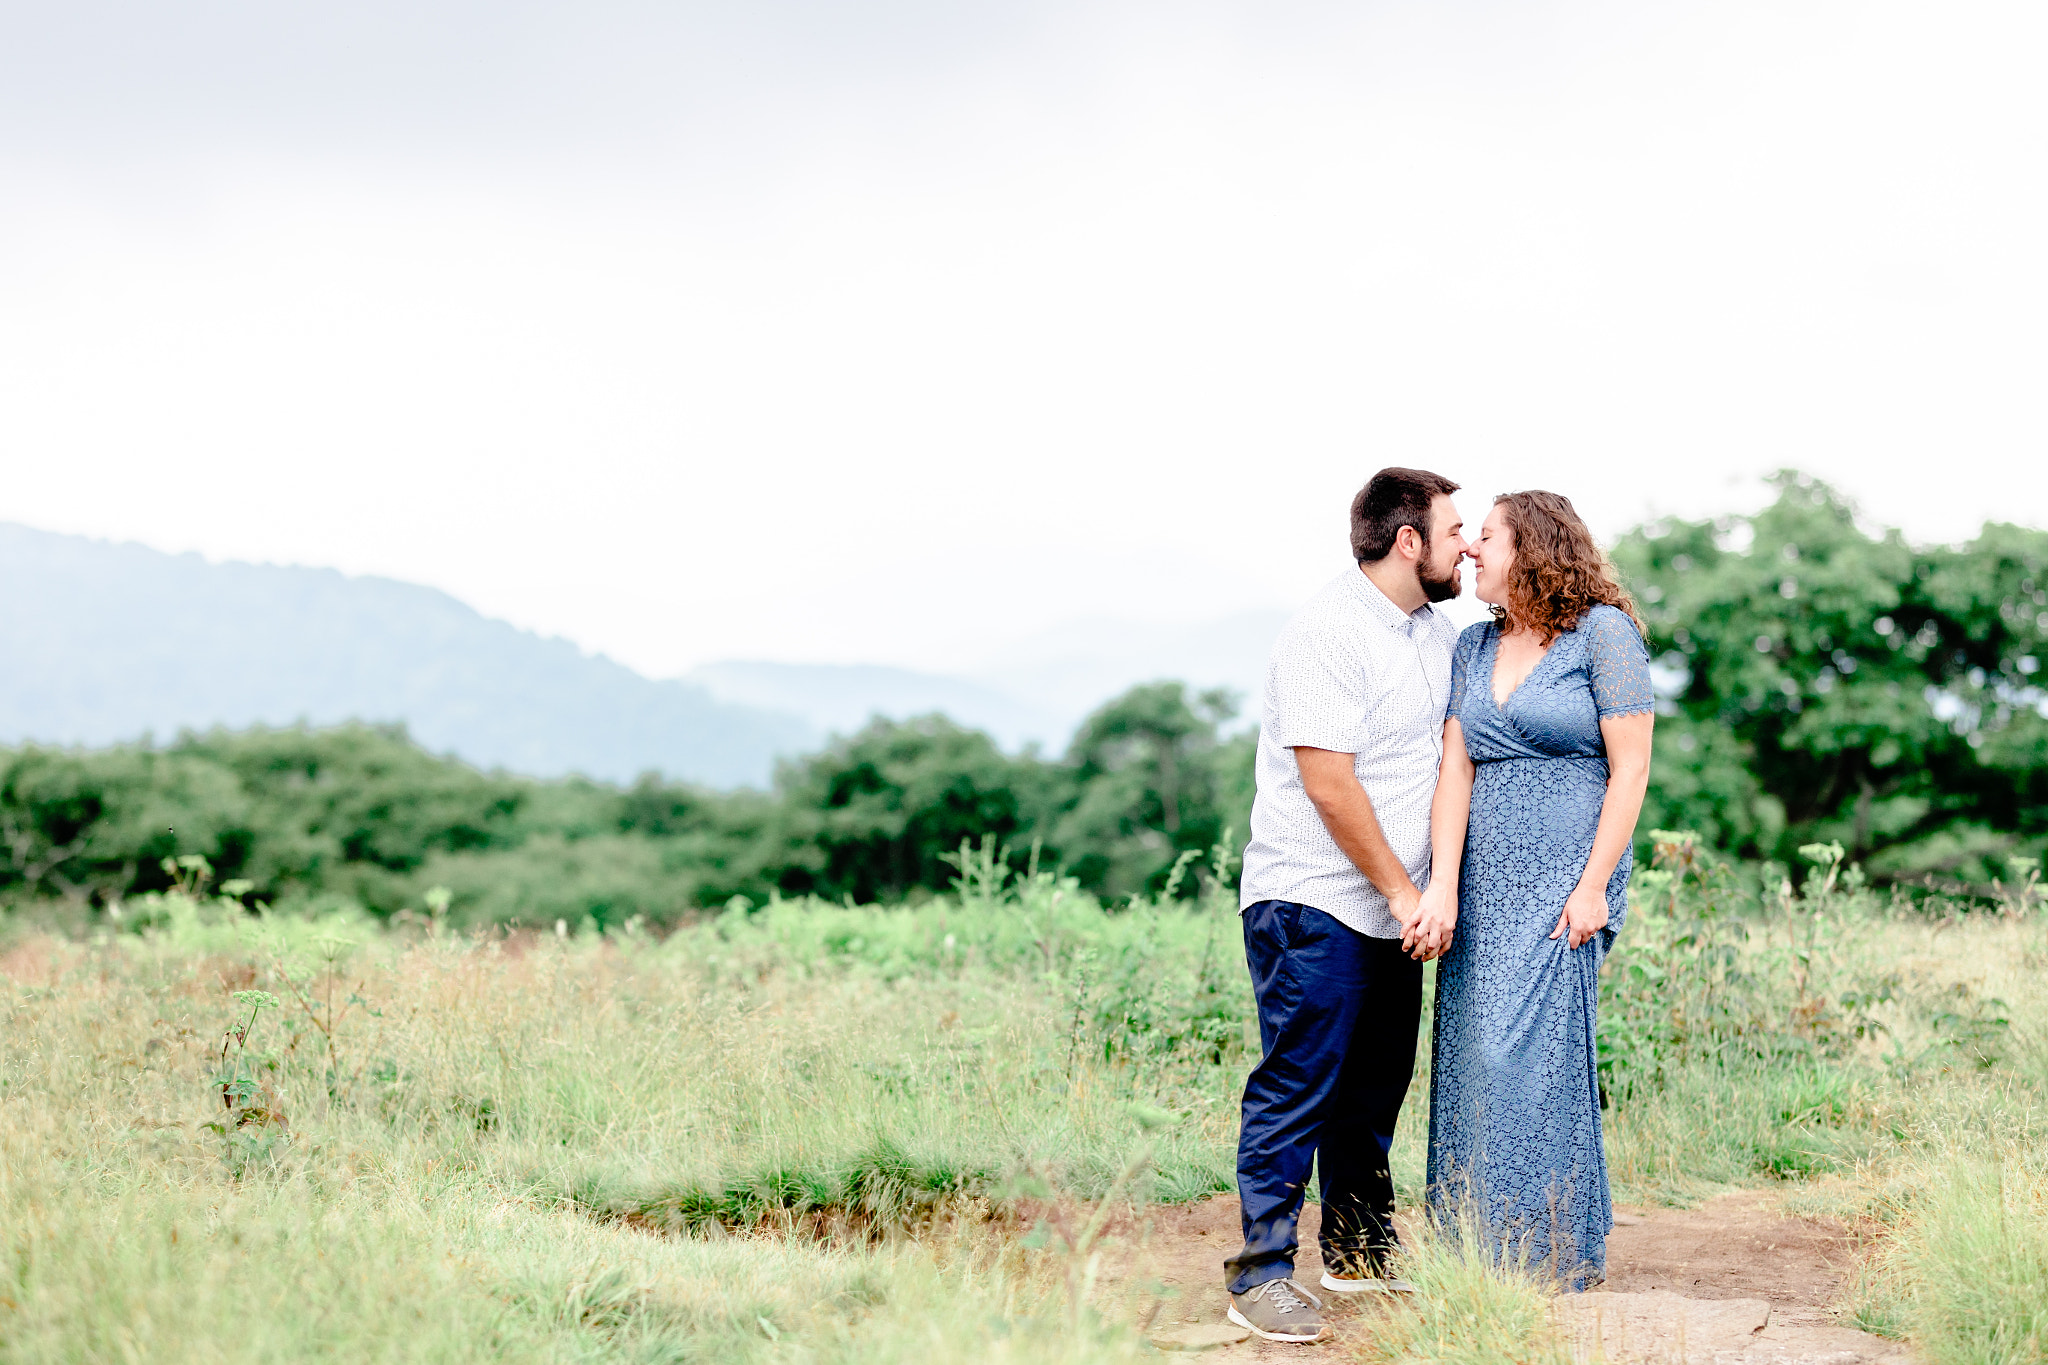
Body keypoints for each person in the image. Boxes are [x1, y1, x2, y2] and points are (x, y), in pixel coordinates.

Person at [1224, 468, 1468, 1344]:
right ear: (1409, 541)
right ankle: (1258, 1275)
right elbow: (1329, 782)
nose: (1465, 545)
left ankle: (1358, 1251)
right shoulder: (1327, 632)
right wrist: (1406, 892)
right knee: (1300, 1083)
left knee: (1371, 1092)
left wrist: (1419, 893)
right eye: (1453, 531)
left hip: (1392, 910)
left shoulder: (1435, 634)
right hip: (1313, 900)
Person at [1410, 490, 1654, 1291]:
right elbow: (1456, 768)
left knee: (1541, 1061)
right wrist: (1442, 886)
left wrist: (1593, 889)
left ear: (1535, 548)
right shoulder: (1472, 647)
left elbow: (1631, 771)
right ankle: (1474, 1250)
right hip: (1482, 886)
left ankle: (1551, 1248)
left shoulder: (1602, 635)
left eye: (1486, 537)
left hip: (1565, 886)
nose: (1472, 550)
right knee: (1474, 1056)